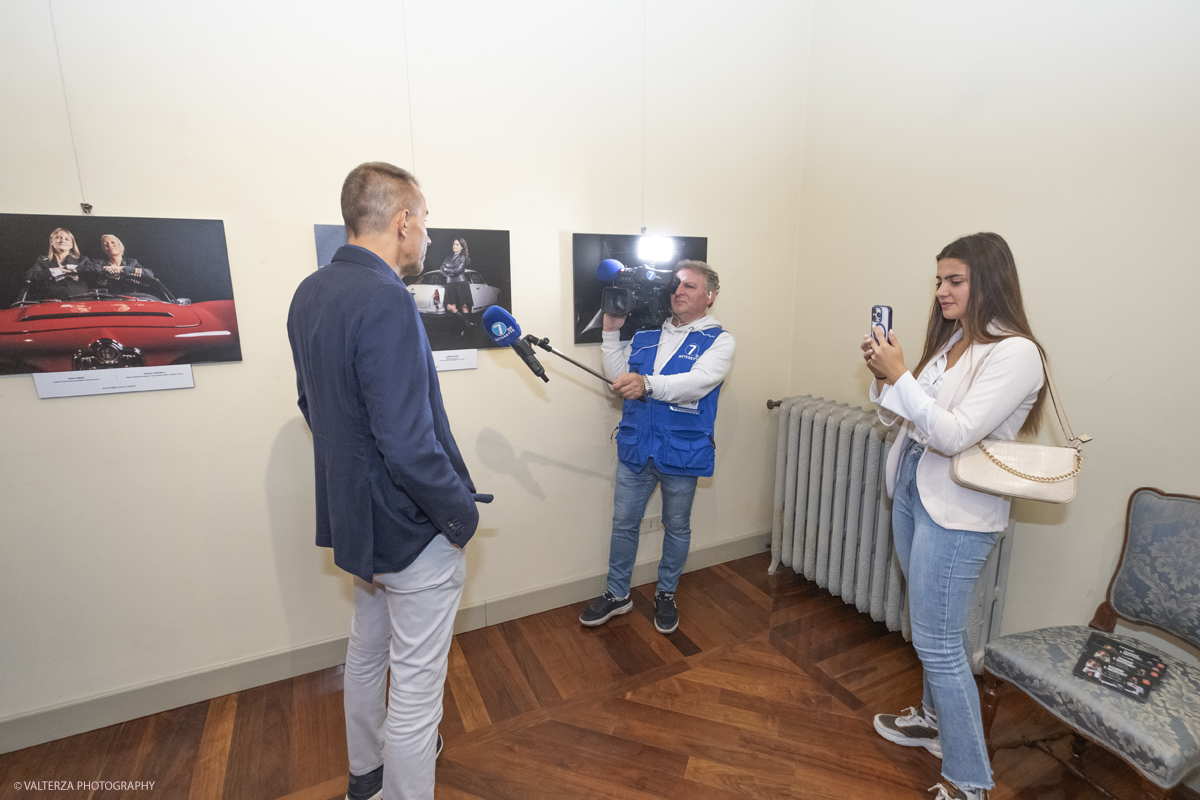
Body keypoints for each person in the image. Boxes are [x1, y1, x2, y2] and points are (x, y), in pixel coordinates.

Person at [287, 162, 483, 800]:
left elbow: (313, 408)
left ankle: (365, 779)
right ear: (403, 222)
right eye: (424, 222)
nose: (426, 236)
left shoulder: (309, 292)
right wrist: (459, 515)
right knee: (418, 695)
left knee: (367, 654)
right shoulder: (387, 299)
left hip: (357, 522)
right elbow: (406, 442)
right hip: (409, 528)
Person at [862, 232, 1047, 800]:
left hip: (959, 509)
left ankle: (969, 782)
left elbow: (954, 433)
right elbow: (906, 416)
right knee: (931, 628)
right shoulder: (953, 344)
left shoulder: (1016, 353)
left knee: (940, 643)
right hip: (916, 488)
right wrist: (883, 374)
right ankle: (931, 719)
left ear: (987, 282)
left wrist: (900, 376)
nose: (941, 291)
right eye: (938, 280)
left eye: (954, 281)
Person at [579, 260, 735, 635]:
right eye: (676, 285)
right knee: (623, 525)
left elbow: (697, 383)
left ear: (710, 296)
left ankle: (666, 593)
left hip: (681, 452)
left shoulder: (719, 340)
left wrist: (647, 384)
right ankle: (618, 594)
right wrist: (612, 336)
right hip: (636, 447)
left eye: (690, 287)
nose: (679, 291)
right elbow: (617, 378)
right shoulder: (648, 335)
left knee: (677, 527)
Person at [24, 227, 97, 299]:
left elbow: (97, 271)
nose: (62, 241)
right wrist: (57, 270)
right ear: (51, 242)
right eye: (58, 237)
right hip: (53, 303)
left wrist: (76, 271)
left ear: (72, 245)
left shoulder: (83, 259)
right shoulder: (42, 260)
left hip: (81, 302)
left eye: (66, 239)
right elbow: (30, 275)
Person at [441, 237, 472, 317]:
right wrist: (449, 274)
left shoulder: (463, 257)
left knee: (464, 307)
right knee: (450, 307)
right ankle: (466, 324)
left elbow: (459, 270)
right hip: (450, 284)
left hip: (460, 284)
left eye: (457, 244)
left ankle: (465, 328)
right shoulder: (448, 257)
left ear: (462, 247)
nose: (455, 246)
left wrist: (446, 269)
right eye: (454, 244)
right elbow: (441, 269)